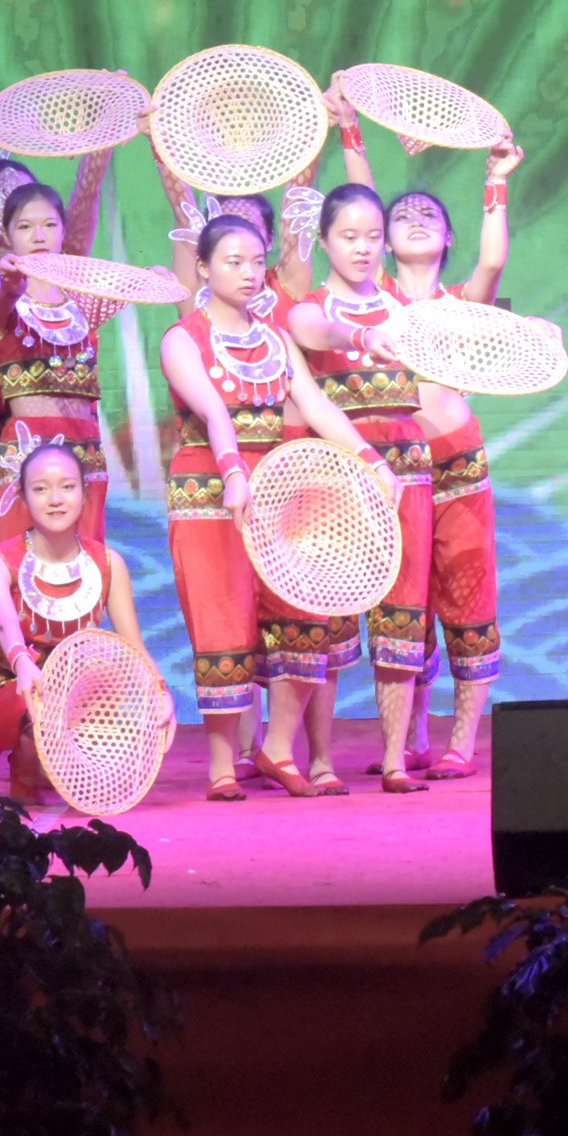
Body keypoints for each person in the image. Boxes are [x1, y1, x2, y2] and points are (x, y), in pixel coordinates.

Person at [161, 214, 393, 801]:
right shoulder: (183, 338)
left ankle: (279, 747)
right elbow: (214, 412)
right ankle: (221, 765)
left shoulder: (274, 337)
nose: (247, 272)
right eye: (232, 262)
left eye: (255, 261)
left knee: (305, 612)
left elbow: (314, 405)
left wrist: (372, 459)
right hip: (209, 492)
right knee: (222, 620)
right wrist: (233, 472)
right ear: (204, 268)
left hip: (278, 488)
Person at [360, 140, 524, 779]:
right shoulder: (370, 302)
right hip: (395, 472)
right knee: (401, 602)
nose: (416, 218)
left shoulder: (461, 304)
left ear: (449, 236)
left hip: (458, 468)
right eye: (402, 215)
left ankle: (461, 742)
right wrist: (350, 133)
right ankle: (408, 740)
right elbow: (362, 204)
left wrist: (496, 182)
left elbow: (494, 259)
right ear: (381, 240)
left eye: (429, 213)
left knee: (467, 592)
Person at [287, 185, 437, 795]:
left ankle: (395, 758)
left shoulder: (408, 308)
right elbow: (315, 331)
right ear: (325, 240)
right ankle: (322, 760)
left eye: (374, 236)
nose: (363, 248)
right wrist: (360, 337)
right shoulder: (309, 308)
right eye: (349, 236)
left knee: (403, 610)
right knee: (328, 614)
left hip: (406, 469)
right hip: (338, 473)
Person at [0, 441, 153, 804]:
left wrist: (159, 693)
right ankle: (25, 766)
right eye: (41, 489)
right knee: (32, 704)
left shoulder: (108, 563)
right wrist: (23, 663)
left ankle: (69, 761)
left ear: (84, 494)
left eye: (67, 487)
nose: (56, 499)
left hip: (79, 697)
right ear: (23, 498)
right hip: (13, 690)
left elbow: (133, 646)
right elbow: (6, 625)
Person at [0, 182, 112, 545]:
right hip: (28, 446)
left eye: (50, 225)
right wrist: (9, 285)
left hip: (85, 446)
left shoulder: (84, 297)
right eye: (25, 226)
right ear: (6, 234)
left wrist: (155, 273)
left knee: (85, 557)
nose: (38, 236)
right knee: (23, 557)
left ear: (64, 230)